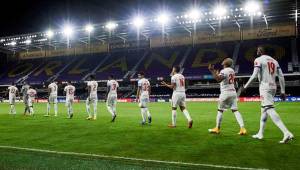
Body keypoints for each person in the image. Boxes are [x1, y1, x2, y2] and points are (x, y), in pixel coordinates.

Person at [243, 46, 294, 143]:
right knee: (264, 111)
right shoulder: (275, 61)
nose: (256, 51)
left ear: (261, 51)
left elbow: (254, 75)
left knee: (270, 110)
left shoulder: (258, 60)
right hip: (273, 87)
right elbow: (281, 76)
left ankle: (286, 132)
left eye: (258, 50)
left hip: (265, 88)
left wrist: (245, 87)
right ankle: (260, 134)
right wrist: (283, 91)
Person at [208, 58, 246, 135]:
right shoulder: (232, 70)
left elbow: (218, 79)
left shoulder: (224, 71)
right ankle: (242, 128)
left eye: (225, 60)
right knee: (235, 110)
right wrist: (216, 73)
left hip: (225, 93)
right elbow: (223, 78)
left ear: (226, 63)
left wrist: (212, 71)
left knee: (220, 110)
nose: (223, 60)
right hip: (233, 92)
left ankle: (217, 128)